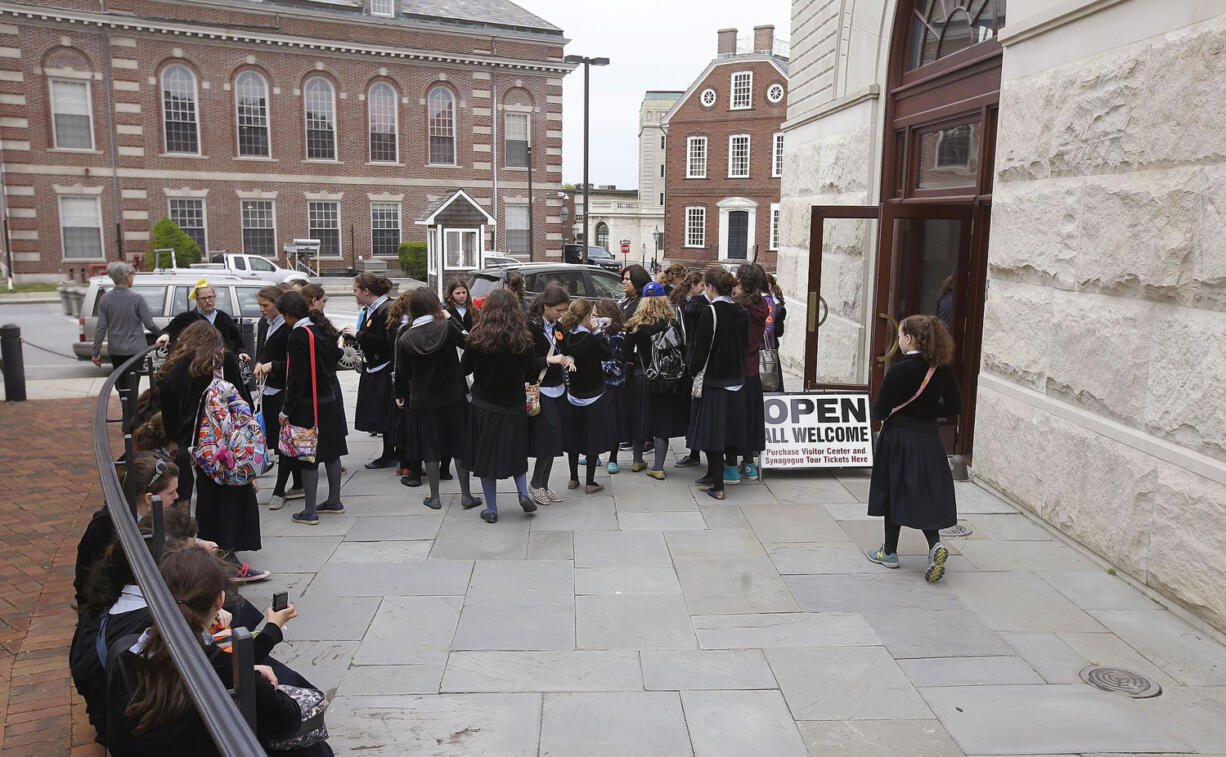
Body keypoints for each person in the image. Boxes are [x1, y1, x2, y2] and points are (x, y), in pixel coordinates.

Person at [104, 549, 329, 756]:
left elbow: (116, 739)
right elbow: (289, 721)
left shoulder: (125, 656)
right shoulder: (224, 667)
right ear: (219, 600)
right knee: (316, 750)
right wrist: (258, 681)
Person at [156, 320, 268, 582]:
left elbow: (168, 416)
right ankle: (227, 562)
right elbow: (240, 405)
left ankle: (201, 561)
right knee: (227, 506)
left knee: (195, 506)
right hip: (221, 450)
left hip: (188, 450)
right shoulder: (219, 362)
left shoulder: (172, 370)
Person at [866, 314, 962, 583]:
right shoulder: (942, 369)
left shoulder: (898, 371)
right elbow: (955, 406)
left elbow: (881, 410)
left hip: (898, 438)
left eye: (900, 336)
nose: (899, 340)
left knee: (892, 490)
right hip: (929, 440)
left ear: (908, 338)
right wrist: (931, 411)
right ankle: (935, 546)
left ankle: (890, 552)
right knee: (924, 493)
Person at [462, 288, 567, 523]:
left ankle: (491, 508)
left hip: (484, 404)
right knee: (516, 452)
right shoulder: (522, 337)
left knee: (486, 457)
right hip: (514, 403)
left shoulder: (477, 335)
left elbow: (465, 368)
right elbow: (531, 370)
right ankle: (522, 493)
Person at [394, 286, 481, 510]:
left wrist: (400, 394)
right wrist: (451, 319)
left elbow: (401, 371)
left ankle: (434, 497)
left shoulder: (405, 334)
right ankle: (466, 495)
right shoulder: (445, 326)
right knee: (459, 444)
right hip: (453, 393)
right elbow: (468, 342)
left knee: (430, 447)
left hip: (422, 398)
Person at [74, 453, 186, 611]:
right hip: (112, 607)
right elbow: (94, 581)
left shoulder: (152, 517)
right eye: (170, 493)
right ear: (149, 498)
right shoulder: (106, 526)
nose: (176, 496)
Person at [275, 291, 348, 526]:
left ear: (287, 314)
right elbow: (337, 354)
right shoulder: (321, 328)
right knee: (332, 454)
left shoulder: (298, 335)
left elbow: (297, 378)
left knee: (309, 458)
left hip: (308, 405)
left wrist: (286, 410)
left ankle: (309, 511)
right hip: (329, 399)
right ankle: (334, 501)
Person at [685, 267, 749, 501]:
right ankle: (713, 474)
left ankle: (718, 485)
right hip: (736, 379)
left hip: (714, 380)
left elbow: (700, 350)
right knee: (726, 432)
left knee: (712, 435)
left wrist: (693, 370)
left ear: (711, 287)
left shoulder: (710, 312)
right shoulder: (741, 311)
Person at [626, 281, 691, 479]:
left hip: (641, 376)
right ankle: (658, 467)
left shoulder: (635, 325)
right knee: (661, 422)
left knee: (639, 418)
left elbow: (626, 355)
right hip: (665, 379)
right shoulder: (672, 323)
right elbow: (682, 350)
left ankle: (637, 461)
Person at [253, 285, 303, 510]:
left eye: (266, 305)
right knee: (278, 439)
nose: (262, 310)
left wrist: (271, 366)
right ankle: (299, 482)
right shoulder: (265, 323)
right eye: (260, 305)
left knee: (285, 441)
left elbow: (294, 364)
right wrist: (258, 363)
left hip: (284, 388)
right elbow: (262, 350)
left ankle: (279, 489)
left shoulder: (290, 328)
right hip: (268, 389)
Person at [559, 299, 615, 494]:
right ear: (587, 317)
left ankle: (573, 478)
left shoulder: (567, 338)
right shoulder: (590, 339)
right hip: (593, 394)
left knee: (574, 437)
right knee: (592, 437)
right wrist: (598, 332)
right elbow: (607, 354)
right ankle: (590, 481)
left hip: (573, 393)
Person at [343, 273, 398, 469]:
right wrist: (356, 337)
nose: (355, 295)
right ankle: (389, 453)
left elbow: (386, 343)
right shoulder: (372, 309)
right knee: (382, 413)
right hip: (374, 367)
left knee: (387, 413)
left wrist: (358, 334)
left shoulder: (387, 309)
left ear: (366, 291)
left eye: (356, 290)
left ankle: (390, 454)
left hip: (385, 368)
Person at [525, 285, 573, 505]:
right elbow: (526, 364)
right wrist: (548, 360)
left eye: (564, 310)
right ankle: (535, 484)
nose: (562, 314)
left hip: (559, 388)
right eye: (559, 310)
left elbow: (564, 348)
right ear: (546, 306)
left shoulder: (559, 326)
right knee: (547, 438)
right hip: (541, 389)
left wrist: (568, 358)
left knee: (555, 440)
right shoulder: (531, 327)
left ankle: (544, 483)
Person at [92, 261, 162, 398]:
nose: (133, 278)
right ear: (127, 277)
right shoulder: (137, 299)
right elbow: (149, 324)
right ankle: (131, 416)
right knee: (133, 387)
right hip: (135, 351)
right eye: (132, 275)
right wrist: (164, 333)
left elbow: (101, 328)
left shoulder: (105, 299)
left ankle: (126, 413)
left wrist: (96, 352)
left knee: (122, 387)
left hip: (116, 350)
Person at [730, 263, 769, 483]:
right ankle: (748, 464)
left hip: (735, 369)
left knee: (734, 419)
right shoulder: (761, 304)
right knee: (749, 419)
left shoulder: (737, 308)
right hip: (752, 369)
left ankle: (730, 466)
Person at [386, 290, 425, 486]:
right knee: (410, 428)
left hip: (403, 383)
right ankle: (409, 466)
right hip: (411, 384)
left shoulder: (398, 326)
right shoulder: (408, 329)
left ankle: (404, 464)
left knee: (404, 425)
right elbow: (400, 363)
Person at [158, 280, 247, 361]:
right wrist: (165, 335)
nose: (207, 301)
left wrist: (241, 352)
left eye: (210, 297)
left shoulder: (224, 317)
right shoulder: (185, 318)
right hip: (196, 365)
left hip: (222, 364)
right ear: (197, 300)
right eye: (203, 298)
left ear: (215, 297)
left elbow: (237, 341)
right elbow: (169, 330)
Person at [301, 283, 348, 433]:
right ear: (314, 301)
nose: (324, 305)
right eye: (324, 301)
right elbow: (332, 354)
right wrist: (340, 344)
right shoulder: (316, 324)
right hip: (325, 382)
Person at [671, 271, 706, 468]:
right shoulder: (689, 306)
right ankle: (693, 450)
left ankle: (693, 450)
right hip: (689, 361)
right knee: (693, 408)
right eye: (701, 285)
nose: (703, 289)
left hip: (687, 360)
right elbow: (687, 335)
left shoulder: (684, 303)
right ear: (693, 284)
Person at [592, 298, 627, 474]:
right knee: (596, 422)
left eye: (596, 315)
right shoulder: (595, 334)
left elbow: (617, 367)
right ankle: (595, 455)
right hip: (597, 386)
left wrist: (594, 364)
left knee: (613, 422)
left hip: (613, 387)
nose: (593, 318)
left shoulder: (618, 336)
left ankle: (613, 457)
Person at [764, 273, 787, 392]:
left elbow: (778, 331)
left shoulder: (773, 305)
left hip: (768, 348)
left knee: (770, 378)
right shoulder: (775, 303)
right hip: (771, 347)